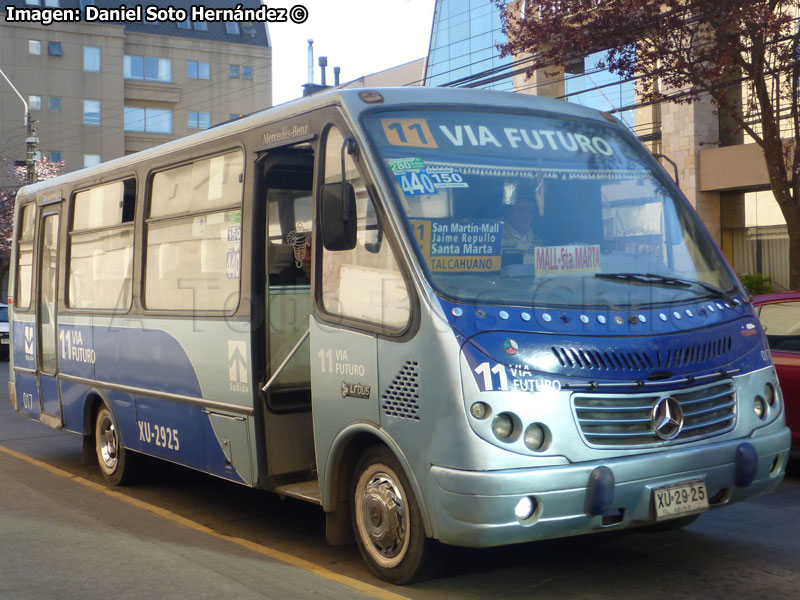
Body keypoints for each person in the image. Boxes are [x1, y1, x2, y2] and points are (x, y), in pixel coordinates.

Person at [501, 183, 542, 266]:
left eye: (530, 211)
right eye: (520, 210)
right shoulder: (498, 240)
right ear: (509, 212)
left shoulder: (537, 242)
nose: (526, 216)